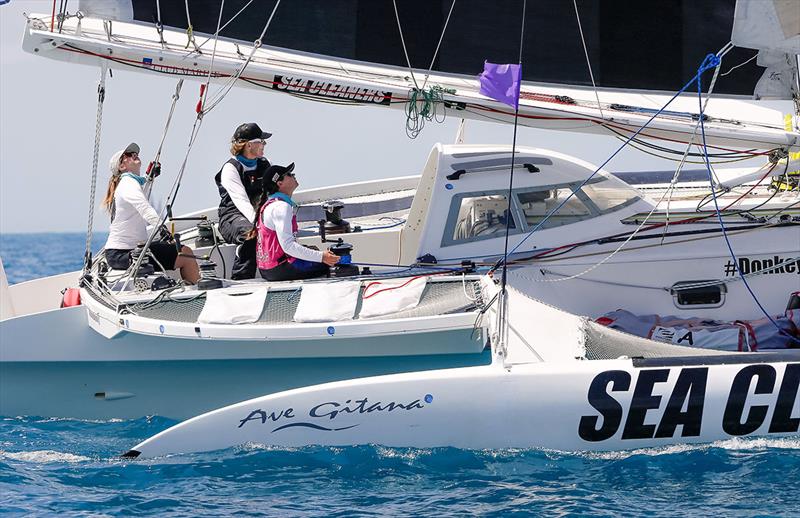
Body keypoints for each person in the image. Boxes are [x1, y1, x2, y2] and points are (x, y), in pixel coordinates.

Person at [102, 143, 200, 284]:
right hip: (123, 253)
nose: (134, 154)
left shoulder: (129, 184)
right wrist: (163, 230)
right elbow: (145, 209)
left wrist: (149, 177)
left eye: (135, 153)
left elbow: (142, 196)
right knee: (185, 254)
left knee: (184, 252)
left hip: (126, 251)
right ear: (122, 167)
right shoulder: (128, 184)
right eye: (128, 155)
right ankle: (197, 293)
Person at [255, 163, 339, 281]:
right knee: (337, 264)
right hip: (279, 269)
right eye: (289, 174)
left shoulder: (271, 205)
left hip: (267, 269)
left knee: (316, 254)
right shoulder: (281, 206)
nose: (294, 175)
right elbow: (288, 246)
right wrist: (322, 257)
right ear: (280, 184)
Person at [214, 122, 272, 279]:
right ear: (248, 145)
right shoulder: (231, 169)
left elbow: (274, 192)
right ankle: (241, 278)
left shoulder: (265, 165)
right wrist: (261, 223)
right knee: (250, 234)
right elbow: (241, 202)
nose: (264, 145)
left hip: (258, 215)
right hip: (232, 217)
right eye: (261, 142)